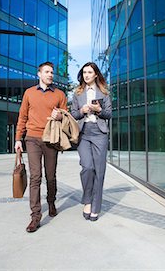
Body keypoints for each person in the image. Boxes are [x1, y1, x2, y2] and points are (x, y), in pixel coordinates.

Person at [14, 61, 67, 233]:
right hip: (32, 139)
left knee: (50, 176)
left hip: (51, 139)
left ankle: (51, 201)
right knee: (35, 177)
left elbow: (66, 118)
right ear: (39, 74)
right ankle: (35, 216)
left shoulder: (60, 94)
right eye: (47, 72)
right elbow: (22, 117)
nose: (50, 74)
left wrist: (59, 116)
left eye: (52, 72)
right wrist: (18, 139)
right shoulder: (29, 93)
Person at [70, 62, 112, 221]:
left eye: (89, 72)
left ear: (96, 75)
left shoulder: (104, 93)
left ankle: (95, 206)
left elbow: (109, 114)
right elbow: (73, 114)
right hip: (83, 133)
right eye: (84, 72)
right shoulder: (78, 93)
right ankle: (87, 199)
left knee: (99, 171)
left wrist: (99, 110)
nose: (86, 75)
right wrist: (82, 111)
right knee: (87, 167)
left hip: (99, 133)